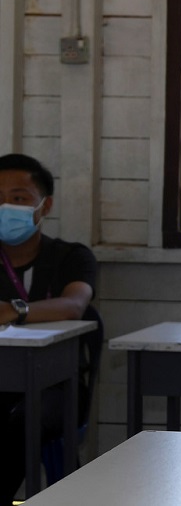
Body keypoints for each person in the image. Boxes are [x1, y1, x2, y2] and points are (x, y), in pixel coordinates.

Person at [0, 153, 98, 504]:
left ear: (45, 205)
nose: (5, 207)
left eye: (18, 198)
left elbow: (74, 305)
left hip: (59, 384)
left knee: (27, 420)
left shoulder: (72, 257)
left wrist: (12, 311)